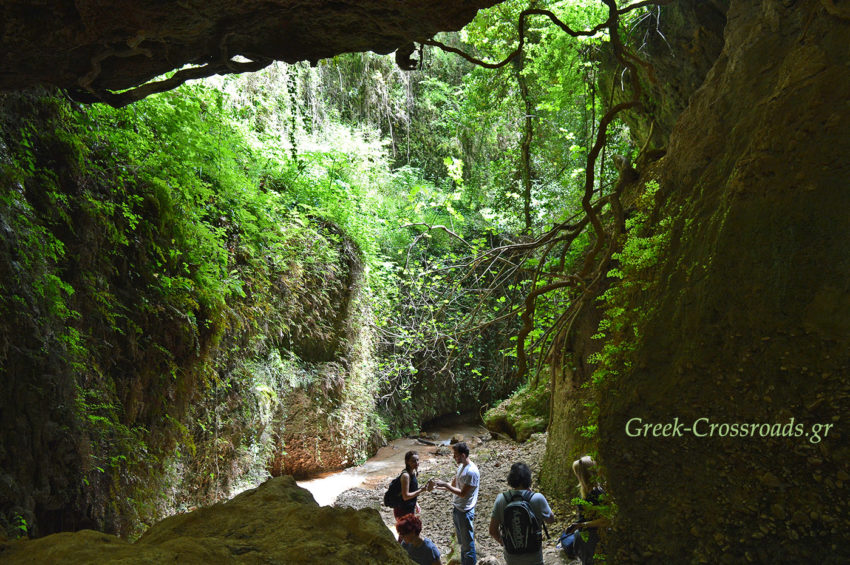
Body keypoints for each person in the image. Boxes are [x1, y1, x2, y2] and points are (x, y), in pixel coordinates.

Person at [488, 462, 555, 565]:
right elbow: (551, 520)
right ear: (528, 479)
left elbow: (492, 530)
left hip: (511, 557)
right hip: (534, 557)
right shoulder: (537, 498)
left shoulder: (501, 499)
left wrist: (503, 542)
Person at [433, 442, 479, 565]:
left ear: (463, 455)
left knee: (467, 545)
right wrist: (437, 487)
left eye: (456, 455)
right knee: (462, 543)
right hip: (457, 508)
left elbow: (463, 493)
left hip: (465, 511)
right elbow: (453, 486)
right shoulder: (461, 467)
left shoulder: (471, 472)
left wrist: (445, 485)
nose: (454, 457)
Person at [559, 456, 608, 564]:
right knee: (565, 537)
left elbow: (605, 520)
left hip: (592, 536)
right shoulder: (588, 491)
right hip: (585, 533)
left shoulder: (597, 493)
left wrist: (581, 525)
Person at [396, 450, 433, 518]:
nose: (416, 463)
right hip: (402, 509)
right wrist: (422, 489)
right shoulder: (405, 476)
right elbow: (405, 496)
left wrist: (416, 503)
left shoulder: (413, 473)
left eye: (417, 460)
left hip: (409, 507)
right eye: (413, 461)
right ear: (407, 462)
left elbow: (411, 490)